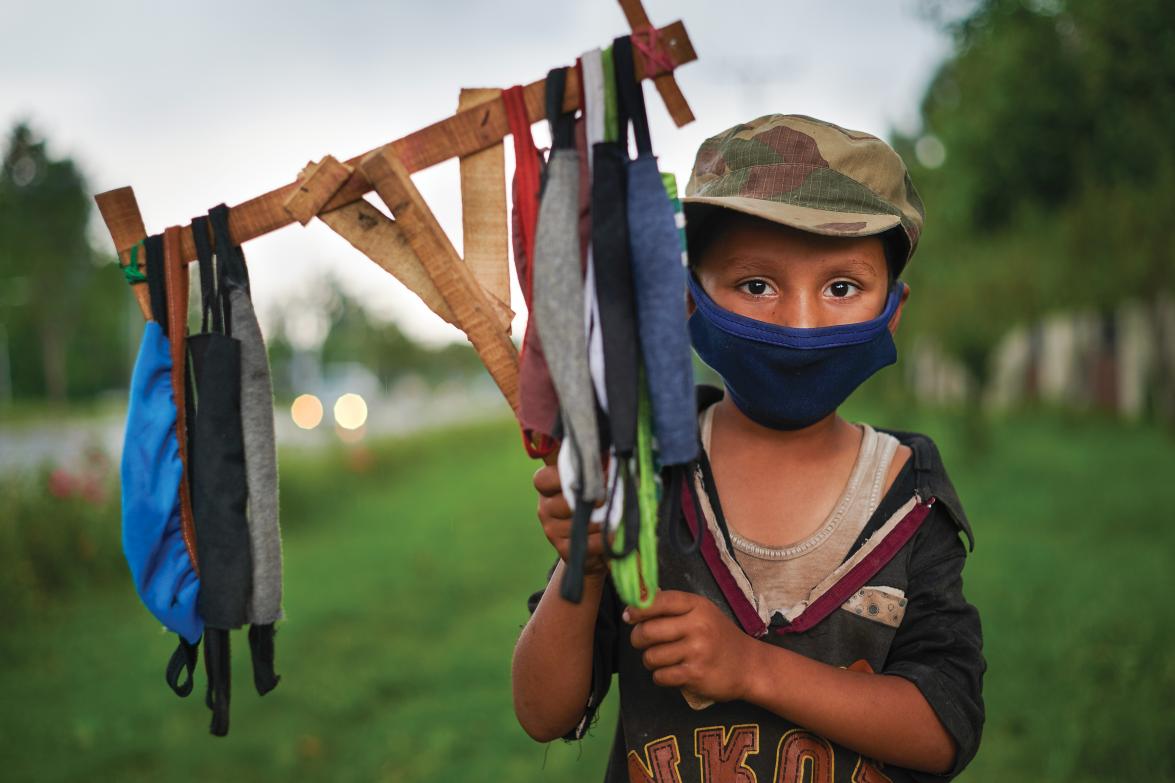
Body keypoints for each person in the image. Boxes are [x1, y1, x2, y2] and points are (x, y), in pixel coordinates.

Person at [512, 114, 985, 783]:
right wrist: (583, 572)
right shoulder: (642, 479)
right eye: (755, 285)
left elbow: (943, 727)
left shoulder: (908, 496)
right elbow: (543, 711)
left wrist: (752, 667)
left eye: (841, 287)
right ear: (686, 299)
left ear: (893, 307)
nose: (798, 324)